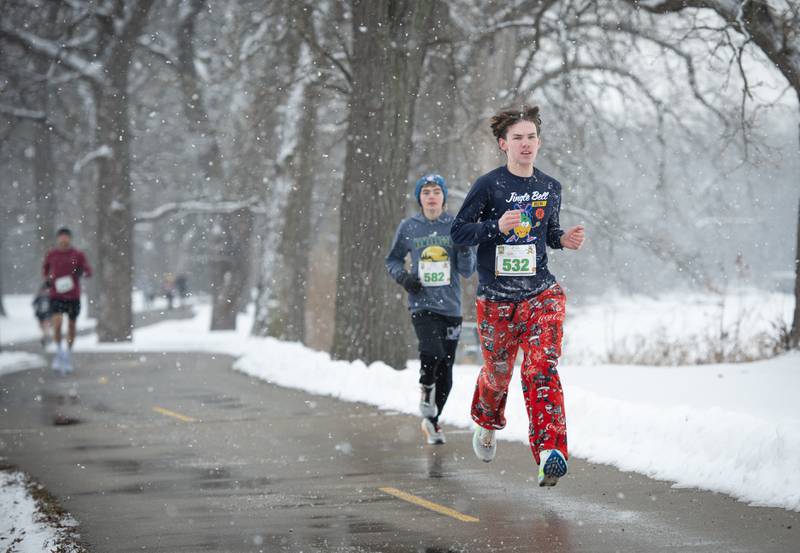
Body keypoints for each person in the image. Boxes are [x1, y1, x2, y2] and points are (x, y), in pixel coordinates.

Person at [451, 105, 585, 486]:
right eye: (517, 138)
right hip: (496, 298)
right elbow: (459, 232)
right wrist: (496, 225)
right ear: (503, 144)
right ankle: (485, 422)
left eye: (530, 138)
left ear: (538, 143)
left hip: (540, 294)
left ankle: (549, 452)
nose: (525, 145)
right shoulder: (488, 186)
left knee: (541, 368)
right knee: (497, 374)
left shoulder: (550, 187)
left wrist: (564, 240)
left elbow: (550, 233)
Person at [386, 174, 476, 445]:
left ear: (444, 197)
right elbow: (392, 260)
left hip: (451, 307)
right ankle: (426, 387)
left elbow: (468, 270)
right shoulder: (409, 227)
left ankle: (433, 422)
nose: (432, 196)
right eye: (426, 192)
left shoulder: (456, 226)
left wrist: (463, 249)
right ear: (420, 198)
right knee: (431, 351)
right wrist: (404, 278)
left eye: (436, 191)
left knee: (447, 373)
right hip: (422, 303)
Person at [43, 227, 92, 374]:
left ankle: (67, 355)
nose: (64, 239)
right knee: (57, 324)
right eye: (61, 237)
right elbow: (45, 270)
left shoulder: (78, 254)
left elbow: (89, 271)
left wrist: (80, 272)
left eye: (66, 237)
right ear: (58, 239)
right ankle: (58, 353)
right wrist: (48, 281)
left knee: (71, 326)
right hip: (56, 295)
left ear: (70, 239)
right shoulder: (52, 254)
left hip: (73, 296)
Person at [32, 282, 51, 347]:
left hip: (47, 315)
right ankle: (45, 336)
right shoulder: (39, 297)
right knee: (42, 327)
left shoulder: (49, 297)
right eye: (44, 290)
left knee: (46, 326)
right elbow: (34, 303)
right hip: (40, 315)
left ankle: (45, 338)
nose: (45, 291)